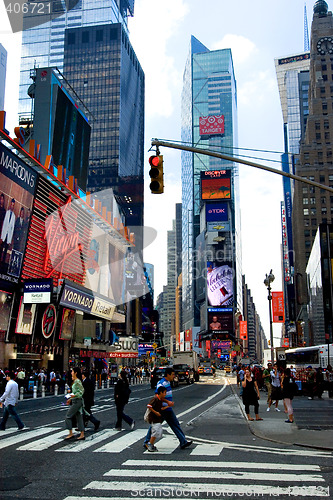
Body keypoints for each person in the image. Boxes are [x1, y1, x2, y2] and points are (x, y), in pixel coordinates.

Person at [143, 367, 192, 450]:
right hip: (162, 409)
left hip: (167, 408)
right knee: (155, 425)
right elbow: (157, 395)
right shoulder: (161, 383)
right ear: (168, 374)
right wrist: (167, 402)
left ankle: (183, 441)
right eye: (173, 374)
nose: (174, 376)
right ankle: (147, 442)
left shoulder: (168, 382)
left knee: (174, 424)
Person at [145, 386, 168, 452]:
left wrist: (167, 406)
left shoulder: (160, 399)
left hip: (157, 418)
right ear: (160, 392)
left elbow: (159, 408)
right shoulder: (155, 399)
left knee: (158, 431)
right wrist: (156, 412)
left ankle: (151, 443)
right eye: (164, 393)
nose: (165, 394)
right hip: (154, 418)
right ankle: (149, 444)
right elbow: (149, 406)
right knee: (156, 431)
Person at [65, 367, 85, 441]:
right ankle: (82, 434)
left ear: (75, 372)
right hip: (75, 400)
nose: (71, 373)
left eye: (72, 371)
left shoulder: (77, 381)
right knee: (79, 417)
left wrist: (74, 395)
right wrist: (70, 399)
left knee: (68, 416)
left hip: (77, 401)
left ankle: (70, 433)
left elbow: (81, 391)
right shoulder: (75, 381)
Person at [0, 198, 16, 264]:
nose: (12, 206)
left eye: (13, 205)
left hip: (8, 236)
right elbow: (4, 225)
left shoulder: (14, 216)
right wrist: (1, 236)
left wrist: (9, 240)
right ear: (10, 205)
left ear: (14, 206)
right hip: (4, 234)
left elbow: (12, 229)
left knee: (6, 250)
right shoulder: (7, 213)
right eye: (11, 205)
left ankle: (3, 263)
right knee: (1, 248)